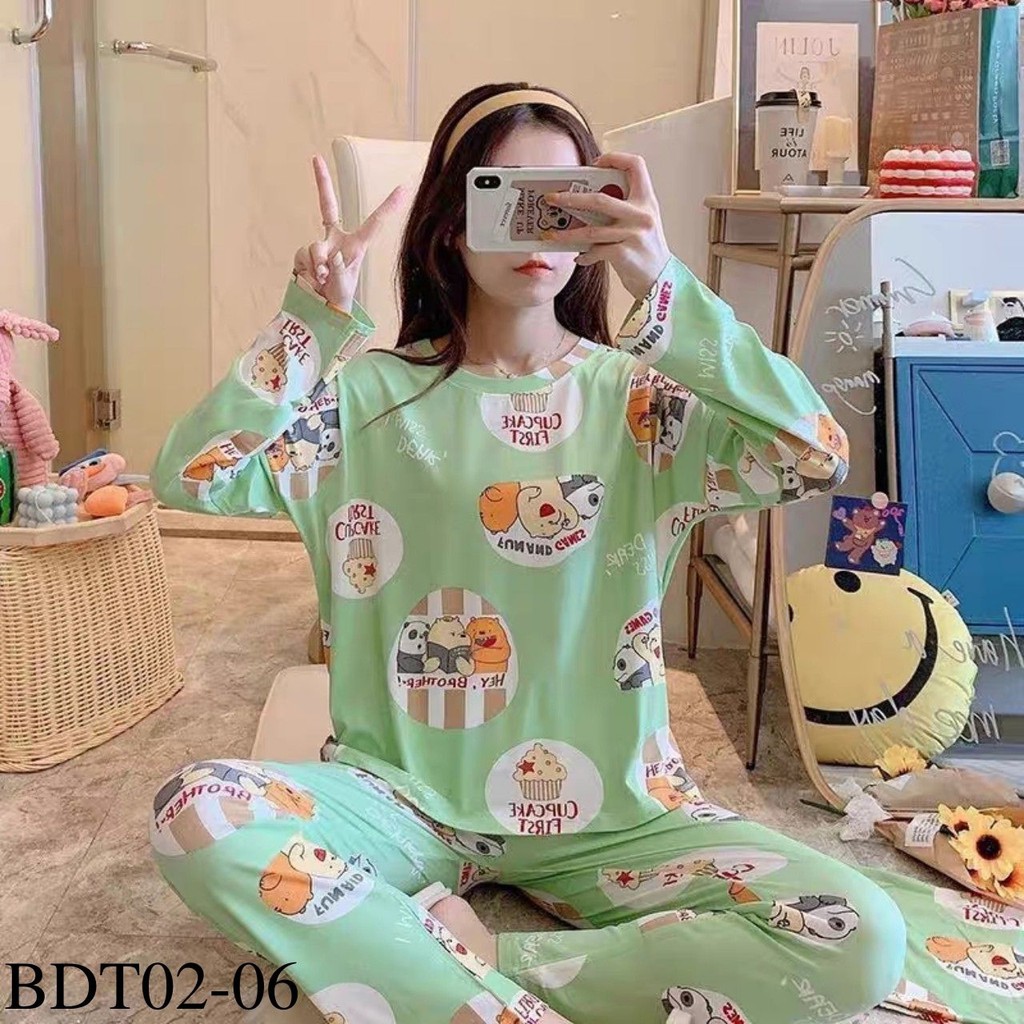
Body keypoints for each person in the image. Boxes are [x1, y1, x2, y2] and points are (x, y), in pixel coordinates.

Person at [149, 83, 904, 1024]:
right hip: (399, 798)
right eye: (504, 194)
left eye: (567, 198)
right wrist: (308, 323)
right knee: (197, 810)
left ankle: (489, 967)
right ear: (451, 222)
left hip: (616, 817)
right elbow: (191, 477)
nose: (537, 225)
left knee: (860, 935)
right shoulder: (366, 400)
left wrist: (661, 280)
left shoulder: (642, 402)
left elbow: (815, 453)